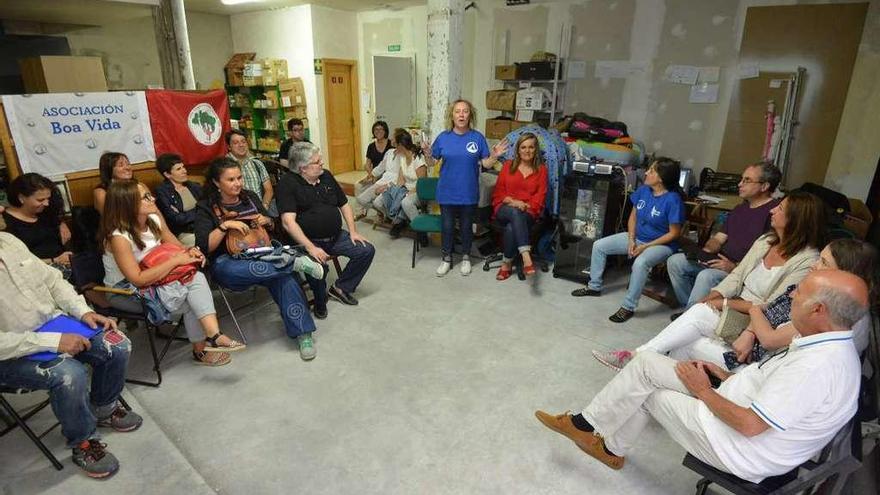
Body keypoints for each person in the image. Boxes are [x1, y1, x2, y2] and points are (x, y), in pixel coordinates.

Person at [535, 270, 868, 484]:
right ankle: (591, 430)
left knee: (646, 390)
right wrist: (723, 378)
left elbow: (751, 426)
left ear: (818, 310)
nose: (792, 294)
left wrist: (704, 392)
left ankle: (603, 441)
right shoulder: (824, 343)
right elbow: (772, 390)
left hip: (740, 447)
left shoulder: (819, 367)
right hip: (734, 401)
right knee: (646, 364)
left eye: (801, 292)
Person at [592, 190, 825, 370]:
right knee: (692, 322)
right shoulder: (766, 241)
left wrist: (721, 304)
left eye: (781, 208)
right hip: (738, 303)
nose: (773, 211)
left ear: (796, 219)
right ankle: (645, 365)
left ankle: (635, 357)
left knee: (698, 314)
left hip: (758, 320)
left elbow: (772, 305)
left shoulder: (806, 260)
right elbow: (737, 276)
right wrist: (714, 295)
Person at [0, 232, 142, 479]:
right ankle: (83, 442)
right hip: (10, 352)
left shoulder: (8, 241)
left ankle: (104, 408)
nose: (2, 208)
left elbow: (53, 281)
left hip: (50, 324)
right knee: (69, 374)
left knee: (117, 343)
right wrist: (54, 342)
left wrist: (82, 312)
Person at [101, 180, 246, 366]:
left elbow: (175, 246)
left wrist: (191, 253)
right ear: (128, 204)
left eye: (149, 194)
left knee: (194, 277)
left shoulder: (152, 219)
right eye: (145, 197)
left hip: (158, 280)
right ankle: (206, 344)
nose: (152, 198)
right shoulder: (119, 237)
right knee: (193, 290)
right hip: (126, 292)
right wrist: (177, 261)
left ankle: (212, 338)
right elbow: (137, 279)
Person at [194, 157, 323, 360]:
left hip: (264, 254)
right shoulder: (206, 207)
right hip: (229, 263)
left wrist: (267, 221)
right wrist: (224, 226)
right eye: (230, 180)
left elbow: (271, 226)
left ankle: (303, 333)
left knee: (283, 279)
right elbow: (204, 246)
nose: (237, 183)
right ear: (217, 183)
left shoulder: (251, 197)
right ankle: (292, 262)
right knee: (271, 269)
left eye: (239, 178)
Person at [571, 158, 686, 323]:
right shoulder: (644, 190)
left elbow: (674, 234)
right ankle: (594, 286)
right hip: (637, 237)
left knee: (640, 263)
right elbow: (633, 217)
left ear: (661, 177)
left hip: (661, 244)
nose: (646, 172)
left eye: (651, 171)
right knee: (599, 246)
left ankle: (628, 306)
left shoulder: (673, 200)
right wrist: (632, 239)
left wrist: (646, 246)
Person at [668, 162, 781, 317]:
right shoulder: (739, 209)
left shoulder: (775, 213)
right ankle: (693, 309)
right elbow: (719, 239)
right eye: (741, 179)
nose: (739, 184)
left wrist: (733, 266)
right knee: (676, 262)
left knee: (706, 276)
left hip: (739, 271)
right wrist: (706, 251)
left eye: (747, 180)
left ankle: (690, 315)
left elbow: (768, 257)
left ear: (764, 186)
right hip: (718, 261)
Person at [277, 142, 375, 319]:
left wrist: (353, 231)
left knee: (366, 250)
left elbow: (344, 204)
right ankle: (320, 300)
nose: (322, 163)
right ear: (303, 168)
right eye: (317, 161)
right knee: (318, 267)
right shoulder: (287, 184)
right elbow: (288, 222)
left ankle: (340, 288)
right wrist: (310, 247)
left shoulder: (326, 176)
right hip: (308, 241)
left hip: (335, 236)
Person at [421, 99, 508, 277]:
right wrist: (427, 153)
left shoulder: (477, 138)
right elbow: (431, 162)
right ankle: (446, 259)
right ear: (452, 116)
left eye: (465, 111)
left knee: (467, 226)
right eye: (457, 111)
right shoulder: (443, 137)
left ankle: (466, 257)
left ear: (470, 115)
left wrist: (494, 156)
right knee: (447, 227)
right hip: (447, 191)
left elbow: (485, 163)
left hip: (468, 192)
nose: (461, 114)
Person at [490, 132, 548, 280]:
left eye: (531, 147)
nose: (527, 151)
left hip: (528, 212)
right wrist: (515, 203)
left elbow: (539, 199)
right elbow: (499, 193)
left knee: (512, 226)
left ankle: (507, 264)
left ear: (535, 150)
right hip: (504, 207)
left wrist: (525, 206)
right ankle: (525, 255)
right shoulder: (508, 166)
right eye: (523, 147)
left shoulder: (542, 170)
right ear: (518, 150)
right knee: (514, 214)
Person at [2, 173, 73, 278]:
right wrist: (55, 260)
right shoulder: (6, 224)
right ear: (21, 198)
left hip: (64, 265)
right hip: (36, 272)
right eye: (40, 200)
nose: (46, 203)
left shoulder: (45, 212)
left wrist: (61, 223)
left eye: (47, 199)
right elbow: (17, 263)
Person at [380, 130, 428, 238]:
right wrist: (392, 190)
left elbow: (423, 184)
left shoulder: (418, 158)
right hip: (405, 190)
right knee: (381, 199)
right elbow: (400, 181)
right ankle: (400, 220)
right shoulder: (402, 157)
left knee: (405, 202)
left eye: (395, 144)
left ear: (400, 145)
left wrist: (408, 193)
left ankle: (421, 231)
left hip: (418, 191)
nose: (393, 147)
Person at [154, 153, 203, 247]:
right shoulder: (162, 192)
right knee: (204, 242)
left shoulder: (194, 186)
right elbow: (177, 219)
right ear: (167, 174)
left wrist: (185, 214)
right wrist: (200, 210)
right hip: (185, 233)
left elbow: (209, 207)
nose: (184, 171)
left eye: (183, 167)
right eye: (179, 169)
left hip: (204, 225)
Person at [355, 127, 403, 218]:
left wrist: (387, 186)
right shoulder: (390, 152)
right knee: (361, 199)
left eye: (393, 137)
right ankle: (388, 214)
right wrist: (371, 175)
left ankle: (395, 218)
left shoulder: (404, 155)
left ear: (399, 141)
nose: (391, 139)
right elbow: (380, 167)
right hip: (382, 180)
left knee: (377, 203)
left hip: (393, 183)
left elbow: (402, 177)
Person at [226, 129, 276, 217]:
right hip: (235, 214)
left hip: (259, 212)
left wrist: (263, 208)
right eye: (236, 143)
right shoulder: (223, 166)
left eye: (243, 141)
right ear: (229, 147)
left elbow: (268, 190)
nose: (241, 145)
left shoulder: (256, 163)